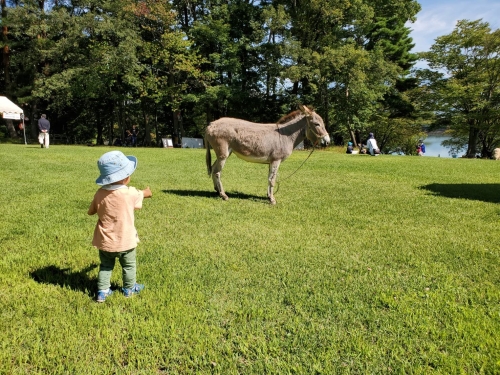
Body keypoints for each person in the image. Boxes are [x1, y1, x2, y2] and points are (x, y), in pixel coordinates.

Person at [88, 150, 152, 302]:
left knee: (105, 266)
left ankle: (102, 292)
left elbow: (91, 211)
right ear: (125, 177)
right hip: (126, 241)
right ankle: (129, 289)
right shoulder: (130, 193)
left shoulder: (99, 193)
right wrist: (147, 192)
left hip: (105, 241)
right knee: (129, 266)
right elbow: (142, 194)